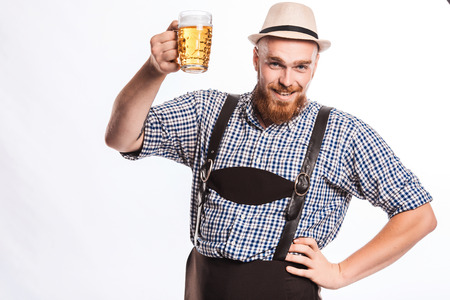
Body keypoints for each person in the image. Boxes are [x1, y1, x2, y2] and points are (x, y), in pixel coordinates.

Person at [105, 2, 437, 299]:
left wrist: (340, 273)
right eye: (276, 63)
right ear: (256, 58)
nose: (287, 80)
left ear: (314, 66)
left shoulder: (342, 133)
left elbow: (419, 215)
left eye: (301, 67)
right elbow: (122, 138)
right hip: (202, 288)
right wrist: (153, 71)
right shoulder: (208, 111)